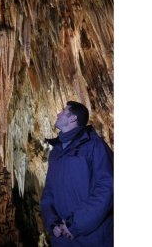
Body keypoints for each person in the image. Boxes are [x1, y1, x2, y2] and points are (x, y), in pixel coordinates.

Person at [40, 101, 113, 247]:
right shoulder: (56, 152)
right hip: (61, 238)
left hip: (91, 237)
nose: (58, 113)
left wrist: (75, 224)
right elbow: (48, 192)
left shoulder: (94, 145)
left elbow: (107, 187)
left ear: (73, 118)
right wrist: (51, 222)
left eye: (63, 111)